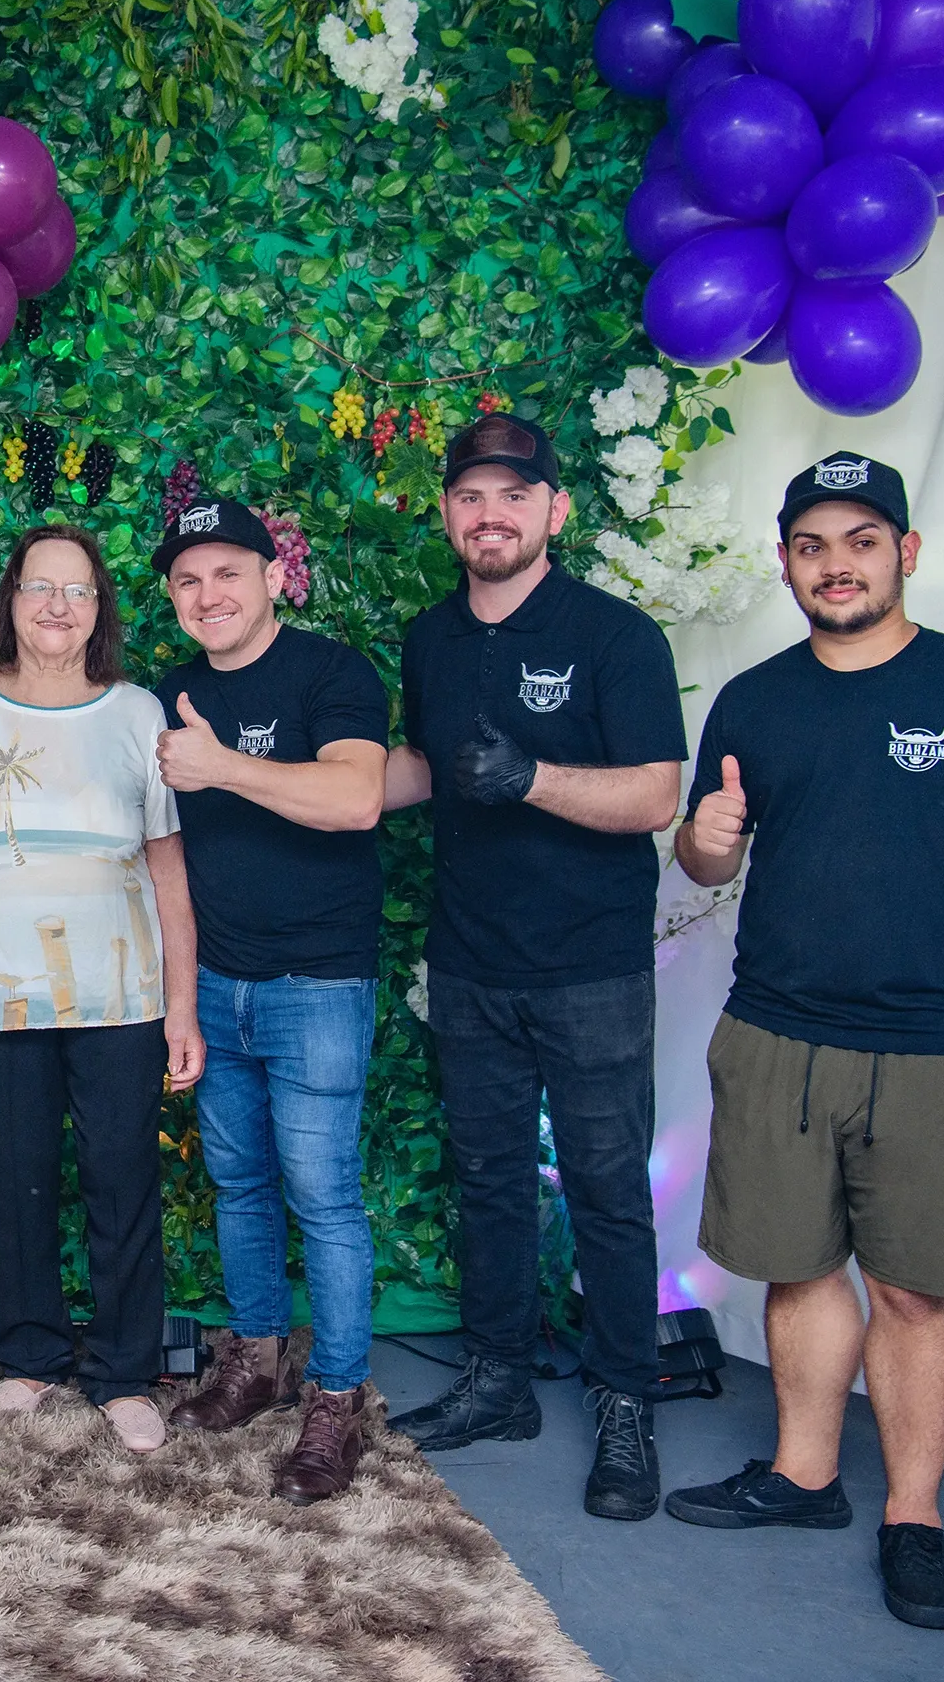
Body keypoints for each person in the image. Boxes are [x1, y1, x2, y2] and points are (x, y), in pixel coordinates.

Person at [666, 454, 944, 1631]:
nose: (834, 563)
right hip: (773, 1032)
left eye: (859, 539)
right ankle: (802, 1477)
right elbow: (712, 859)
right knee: (796, 1263)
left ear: (905, 550)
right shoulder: (752, 696)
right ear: (785, 559)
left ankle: (914, 1514)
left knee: (910, 1287)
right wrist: (704, 838)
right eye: (810, 543)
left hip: (931, 1044)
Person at [380, 412, 686, 1523]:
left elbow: (656, 794)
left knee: (608, 1192)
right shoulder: (430, 636)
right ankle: (499, 1378)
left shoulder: (614, 635)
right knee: (489, 1182)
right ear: (450, 512)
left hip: (590, 969)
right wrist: (287, 782)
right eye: (470, 496)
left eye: (514, 495)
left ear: (555, 509)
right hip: (469, 963)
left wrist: (533, 777)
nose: (490, 514)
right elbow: (425, 767)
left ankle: (623, 1395)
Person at [0, 524, 200, 1453]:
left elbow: (169, 871)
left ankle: (121, 1372)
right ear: (13, 600)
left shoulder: (140, 715)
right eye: (41, 587)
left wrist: (181, 1004)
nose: (59, 606)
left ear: (99, 610)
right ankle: (28, 1357)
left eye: (78, 591)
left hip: (121, 997)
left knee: (123, 1180)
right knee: (11, 1182)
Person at [146, 497, 392, 1504]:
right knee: (240, 1187)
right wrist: (182, 1003)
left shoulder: (333, 673)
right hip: (218, 980)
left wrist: (220, 766)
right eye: (188, 579)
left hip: (320, 984)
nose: (209, 594)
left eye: (228, 572)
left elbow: (354, 799)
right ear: (171, 597)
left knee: (323, 1197)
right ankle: (255, 1358)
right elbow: (166, 857)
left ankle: (334, 1396)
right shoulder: (169, 692)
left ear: (273, 575)